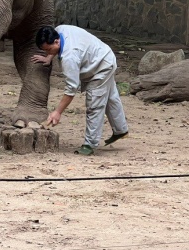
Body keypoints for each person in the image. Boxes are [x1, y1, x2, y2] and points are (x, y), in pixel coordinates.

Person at [32, 25, 129, 155]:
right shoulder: (59, 30)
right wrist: (49, 57)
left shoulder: (69, 56)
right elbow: (54, 48)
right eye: (45, 51)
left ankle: (90, 145)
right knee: (111, 98)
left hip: (101, 67)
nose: (48, 52)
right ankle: (121, 129)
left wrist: (58, 112)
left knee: (94, 105)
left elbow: (71, 88)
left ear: (56, 41)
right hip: (103, 55)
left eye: (49, 50)